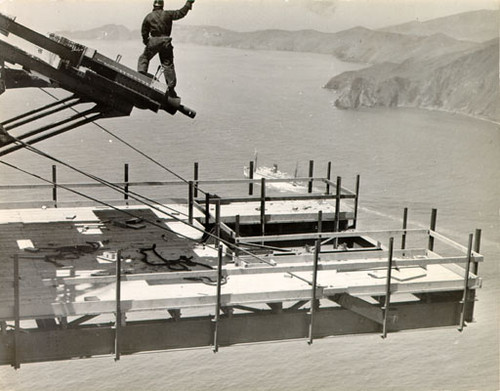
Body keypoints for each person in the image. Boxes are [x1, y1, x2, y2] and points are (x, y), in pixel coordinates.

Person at [137, 0, 195, 98]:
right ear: (162, 5)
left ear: (154, 6)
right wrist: (189, 3)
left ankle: (142, 76)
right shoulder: (168, 14)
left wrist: (146, 41)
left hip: (154, 41)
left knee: (144, 58)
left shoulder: (148, 16)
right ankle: (171, 89)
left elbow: (144, 31)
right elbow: (181, 13)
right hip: (166, 42)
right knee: (167, 65)